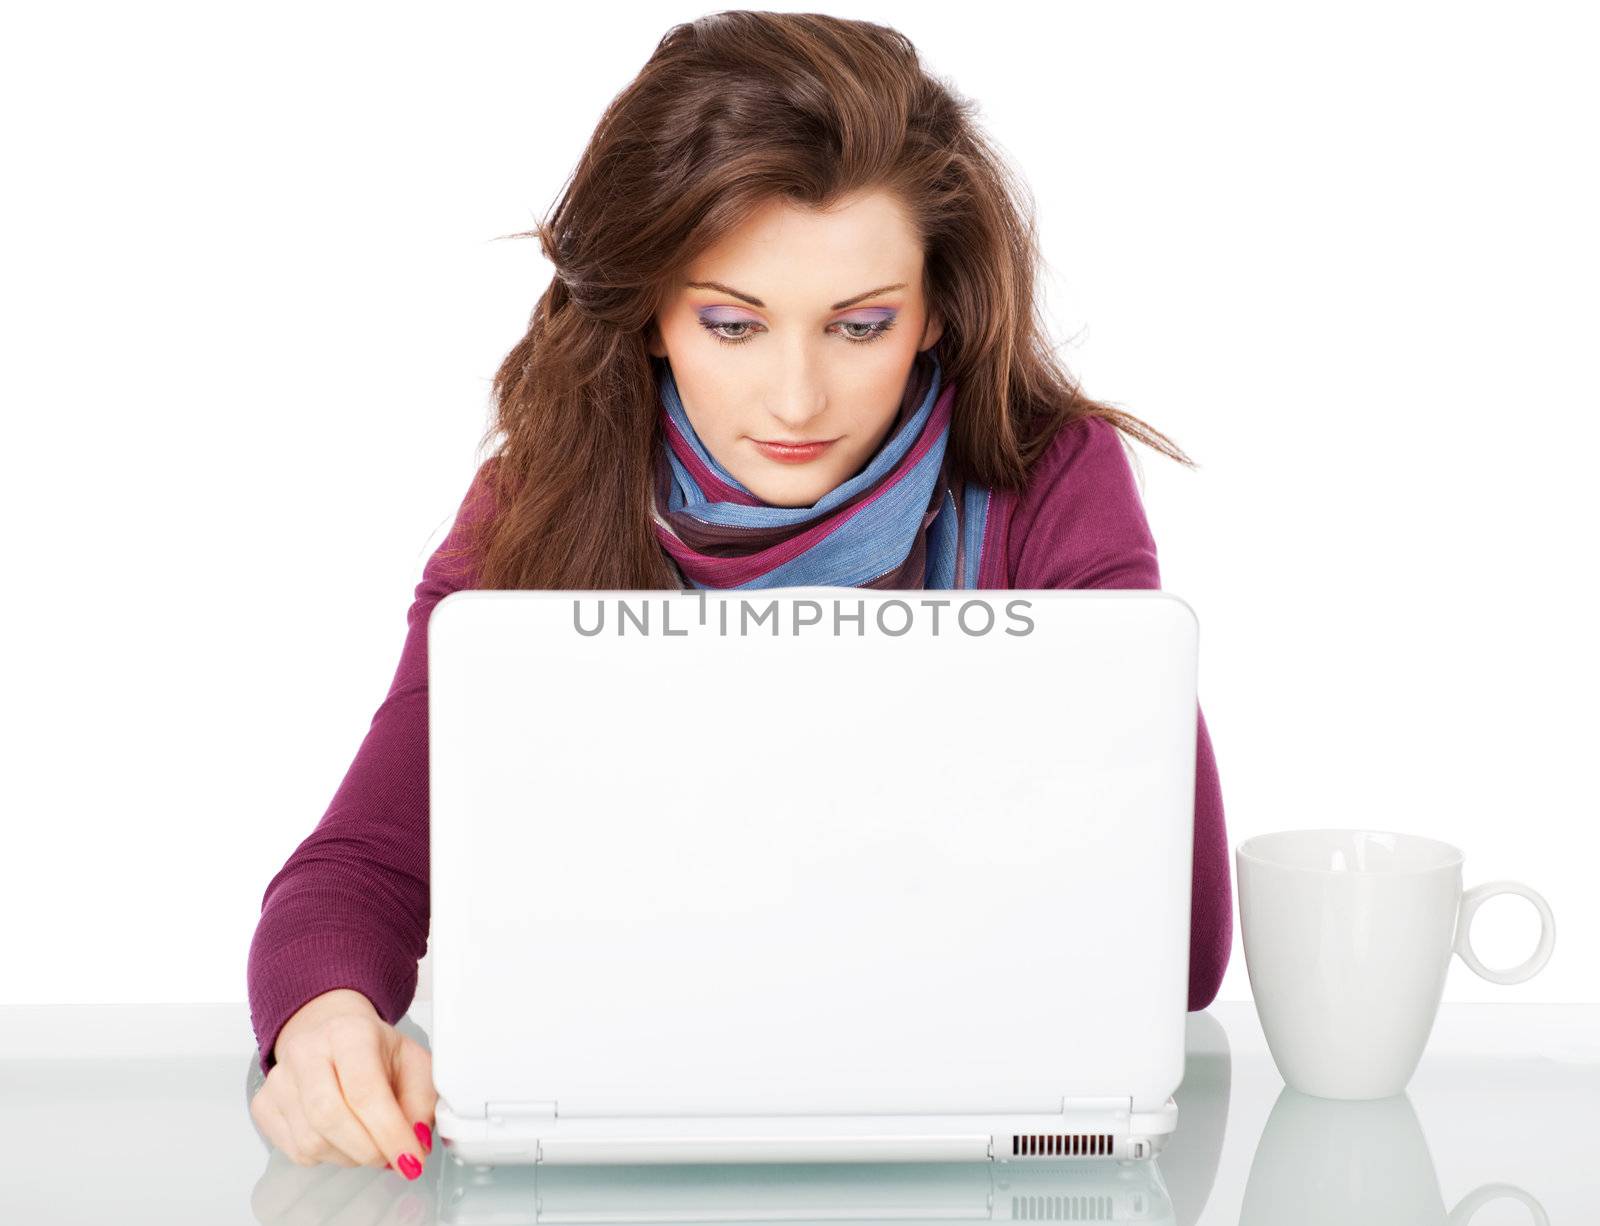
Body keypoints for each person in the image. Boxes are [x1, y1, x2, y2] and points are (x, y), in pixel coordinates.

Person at [246, 10, 1233, 1177]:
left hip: (972, 1157)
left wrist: (1119, 681)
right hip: (614, 1149)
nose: (799, 396)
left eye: (861, 324)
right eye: (732, 323)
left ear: (935, 311)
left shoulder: (1044, 476)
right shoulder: (542, 495)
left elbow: (1178, 956)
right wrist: (321, 1025)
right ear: (652, 310)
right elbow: (363, 863)